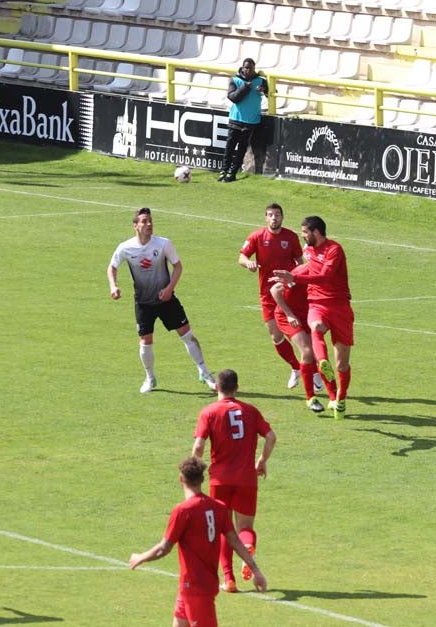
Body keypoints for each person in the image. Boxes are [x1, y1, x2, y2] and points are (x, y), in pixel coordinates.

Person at [129, 456, 266, 627]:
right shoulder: (219, 508)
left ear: (181, 479)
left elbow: (163, 548)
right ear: (202, 479)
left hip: (195, 590)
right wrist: (256, 570)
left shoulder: (183, 511)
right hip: (193, 588)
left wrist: (140, 557)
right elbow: (235, 542)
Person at [109, 207, 217, 394]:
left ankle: (205, 372)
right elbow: (112, 267)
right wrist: (113, 286)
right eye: (144, 221)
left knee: (187, 334)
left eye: (150, 220)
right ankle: (150, 378)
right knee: (145, 340)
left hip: (166, 300)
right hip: (143, 303)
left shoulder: (163, 244)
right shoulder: (125, 247)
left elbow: (178, 267)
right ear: (135, 226)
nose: (149, 224)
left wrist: (169, 289)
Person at [192, 369, 276, 592]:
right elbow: (271, 436)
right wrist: (262, 460)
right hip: (247, 478)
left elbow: (199, 446)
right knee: (245, 527)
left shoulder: (208, 412)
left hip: (219, 480)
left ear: (217, 387)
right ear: (237, 388)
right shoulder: (250, 411)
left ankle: (229, 579)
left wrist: (194, 469)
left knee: (223, 529)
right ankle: (247, 544)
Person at [272, 216, 354, 420]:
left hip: (340, 306)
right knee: (316, 329)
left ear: (316, 232)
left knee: (342, 364)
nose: (302, 235)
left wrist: (294, 277)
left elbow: (324, 276)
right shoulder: (308, 252)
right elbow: (285, 283)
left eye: (305, 232)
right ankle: (321, 368)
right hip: (316, 304)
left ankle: (340, 399)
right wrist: (291, 277)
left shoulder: (334, 249)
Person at [238, 203, 322, 393]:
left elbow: (300, 262)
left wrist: (303, 283)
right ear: (265, 218)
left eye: (277, 215)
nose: (274, 218)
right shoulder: (257, 236)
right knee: (276, 336)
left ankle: (315, 372)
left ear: (282, 217)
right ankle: (296, 368)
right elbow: (241, 256)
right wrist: (248, 263)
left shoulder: (291, 237)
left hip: (290, 293)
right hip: (268, 295)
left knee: (301, 336)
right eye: (270, 215)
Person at [270, 280, 327, 413]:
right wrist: (289, 314)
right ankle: (310, 398)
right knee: (307, 351)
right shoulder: (303, 273)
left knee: (317, 353)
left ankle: (329, 392)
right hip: (288, 316)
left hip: (308, 315)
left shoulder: (326, 275)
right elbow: (275, 290)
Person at [218, 58, 268, 183]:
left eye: (250, 68)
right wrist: (245, 87)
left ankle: (232, 173)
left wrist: (265, 90)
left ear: (254, 69)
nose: (248, 70)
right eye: (246, 67)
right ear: (242, 68)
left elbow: (271, 92)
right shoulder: (235, 80)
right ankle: (224, 170)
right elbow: (233, 97)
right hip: (235, 119)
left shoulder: (260, 81)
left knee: (241, 148)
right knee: (230, 147)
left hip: (251, 121)